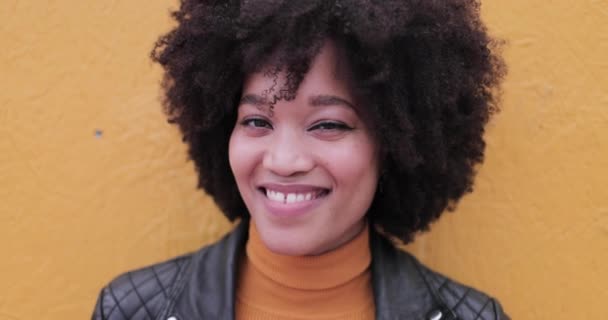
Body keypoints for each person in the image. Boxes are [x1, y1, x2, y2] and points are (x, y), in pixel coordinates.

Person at [92, 0, 508, 319]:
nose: (285, 160)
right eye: (256, 120)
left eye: (328, 125)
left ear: (395, 143)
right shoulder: (131, 310)